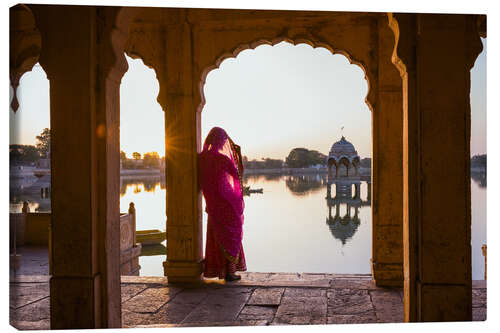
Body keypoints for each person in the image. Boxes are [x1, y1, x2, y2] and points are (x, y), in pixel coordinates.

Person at [198, 127, 246, 281]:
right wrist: (238, 155)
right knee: (232, 234)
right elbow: (238, 175)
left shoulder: (201, 158)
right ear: (220, 142)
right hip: (226, 202)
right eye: (224, 141)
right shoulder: (223, 159)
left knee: (218, 235)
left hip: (212, 203)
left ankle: (220, 270)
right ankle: (230, 272)